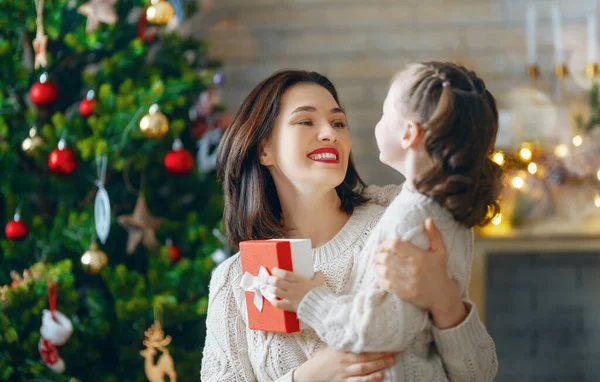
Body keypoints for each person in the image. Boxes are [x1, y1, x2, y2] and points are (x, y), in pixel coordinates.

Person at [201, 69, 498, 382]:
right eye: (306, 121)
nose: (330, 133)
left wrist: (444, 299)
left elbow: (479, 374)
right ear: (264, 150)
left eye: (338, 122)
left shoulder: (406, 223)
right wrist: (306, 378)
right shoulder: (236, 281)